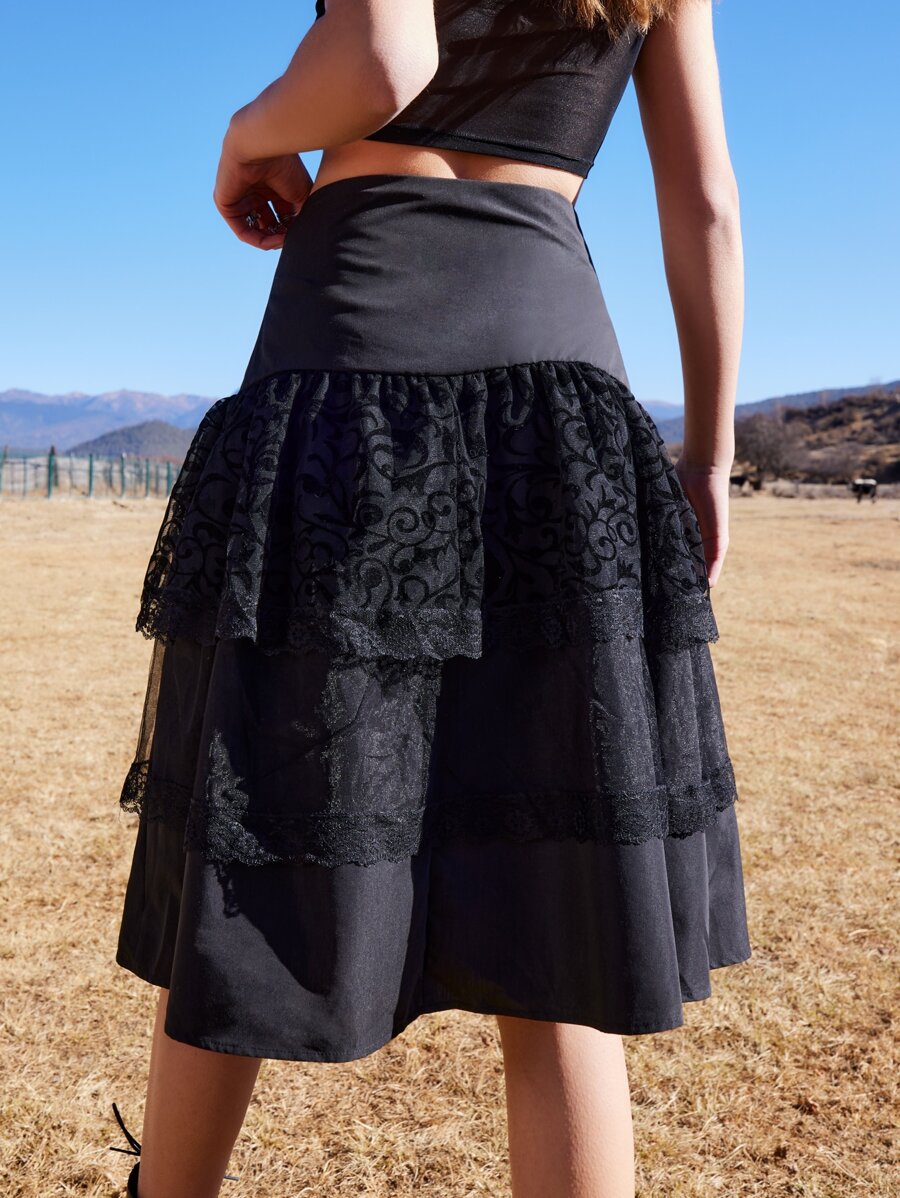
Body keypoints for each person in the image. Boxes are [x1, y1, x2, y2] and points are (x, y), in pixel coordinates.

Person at [110, 1, 751, 1195]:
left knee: (247, 843)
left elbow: (380, 60)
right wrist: (708, 452)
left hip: (349, 368)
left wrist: (248, 134)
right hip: (557, 399)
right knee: (564, 903)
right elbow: (705, 202)